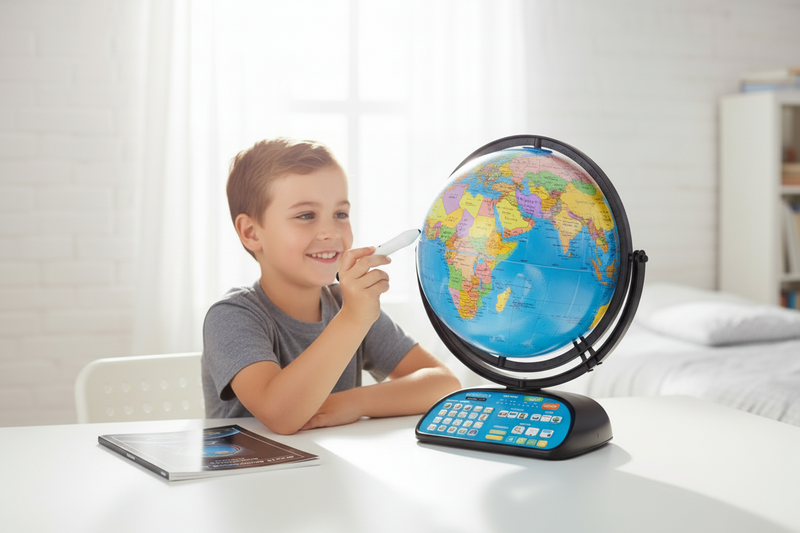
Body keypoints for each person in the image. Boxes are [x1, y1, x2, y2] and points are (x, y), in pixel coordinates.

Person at [202, 137, 460, 435]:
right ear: (251, 232)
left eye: (340, 214)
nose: (331, 232)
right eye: (305, 215)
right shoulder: (231, 316)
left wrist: (352, 403)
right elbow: (280, 416)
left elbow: (444, 384)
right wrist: (353, 318)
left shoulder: (346, 305)